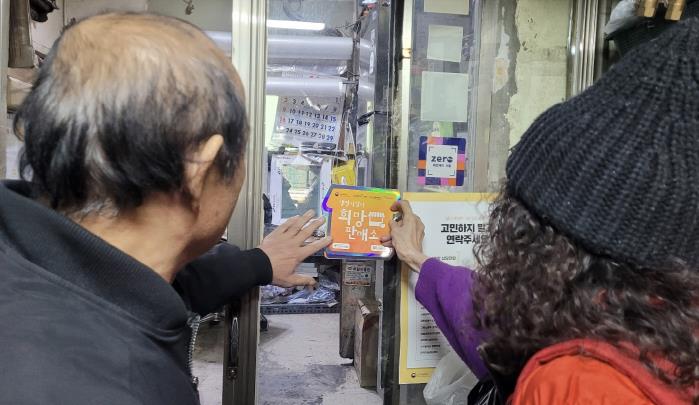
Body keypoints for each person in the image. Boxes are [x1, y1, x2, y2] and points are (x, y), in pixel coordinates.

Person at [0, 12, 330, 405]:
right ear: (198, 169)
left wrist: (259, 262)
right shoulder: (117, 387)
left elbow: (153, 282)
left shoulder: (31, 258)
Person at [387, 17, 699, 405]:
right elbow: (499, 320)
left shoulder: (572, 385)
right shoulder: (658, 324)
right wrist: (418, 258)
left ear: (539, 236)